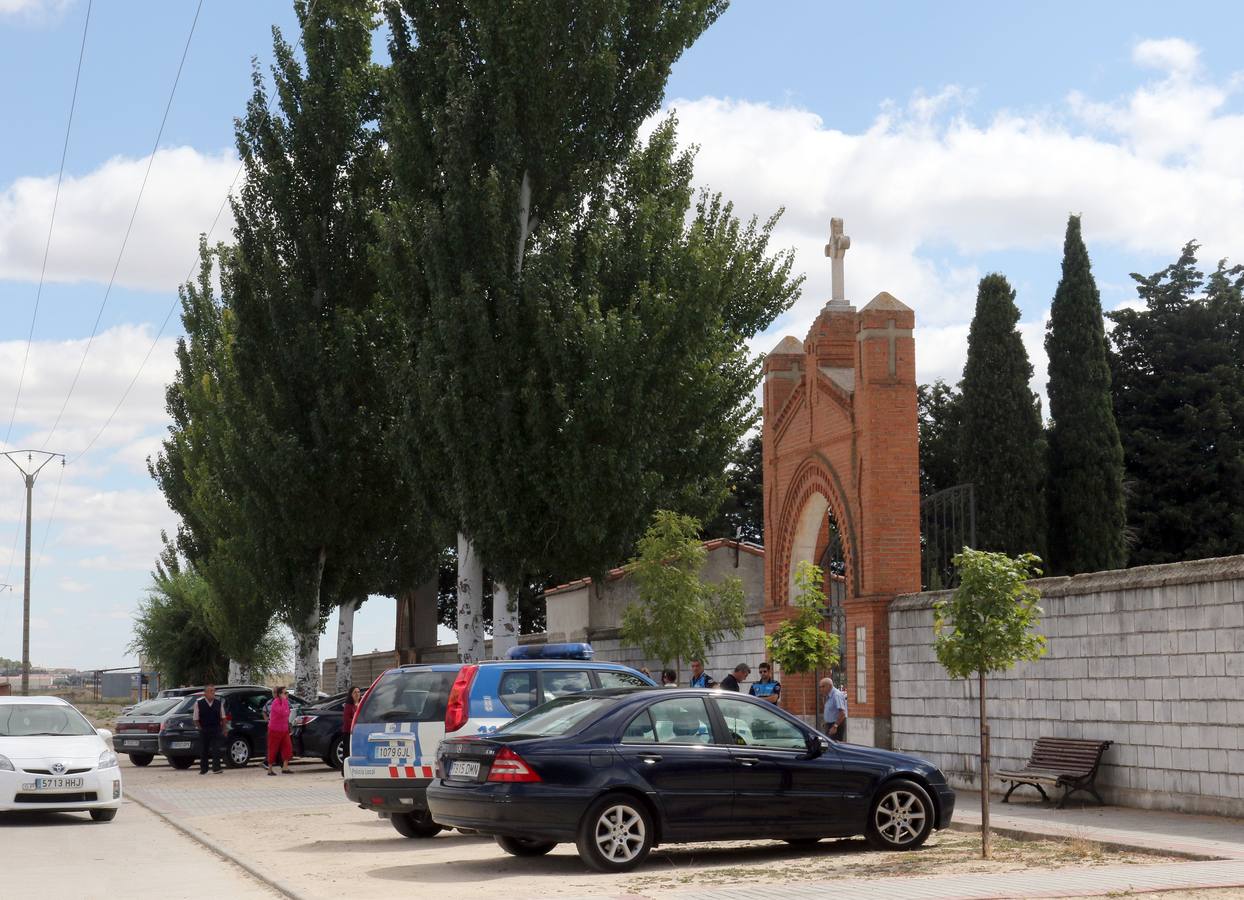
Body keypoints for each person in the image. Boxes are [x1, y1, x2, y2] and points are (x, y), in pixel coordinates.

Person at [192, 684, 226, 774]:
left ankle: (216, 768)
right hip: (204, 729)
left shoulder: (219, 703)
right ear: (205, 693)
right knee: (204, 749)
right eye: (210, 691)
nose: (213, 693)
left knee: (216, 749)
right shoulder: (199, 703)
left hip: (216, 728)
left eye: (213, 691)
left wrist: (224, 729)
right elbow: (195, 718)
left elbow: (223, 717)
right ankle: (204, 769)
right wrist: (200, 728)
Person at [266, 686, 293, 775]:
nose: (286, 694)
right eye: (285, 693)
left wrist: (285, 703)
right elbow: (282, 712)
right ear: (280, 694)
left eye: (287, 693)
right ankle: (270, 769)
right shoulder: (275, 702)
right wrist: (284, 702)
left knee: (288, 748)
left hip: (284, 729)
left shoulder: (285, 702)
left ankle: (285, 767)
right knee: (273, 748)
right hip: (274, 729)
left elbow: (288, 712)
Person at [820, 676, 848, 742]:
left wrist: (835, 726)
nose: (821, 689)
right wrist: (826, 721)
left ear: (829, 686)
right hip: (829, 725)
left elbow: (842, 713)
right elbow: (831, 710)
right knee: (828, 744)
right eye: (820, 687)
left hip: (836, 726)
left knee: (833, 745)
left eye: (823, 686)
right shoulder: (828, 695)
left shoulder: (836, 695)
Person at [341, 685, 360, 775]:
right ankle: (345, 771)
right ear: (351, 694)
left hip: (358, 733)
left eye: (358, 692)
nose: (357, 694)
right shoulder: (348, 705)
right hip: (349, 732)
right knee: (347, 752)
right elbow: (347, 719)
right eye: (354, 692)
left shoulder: (361, 704)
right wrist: (355, 724)